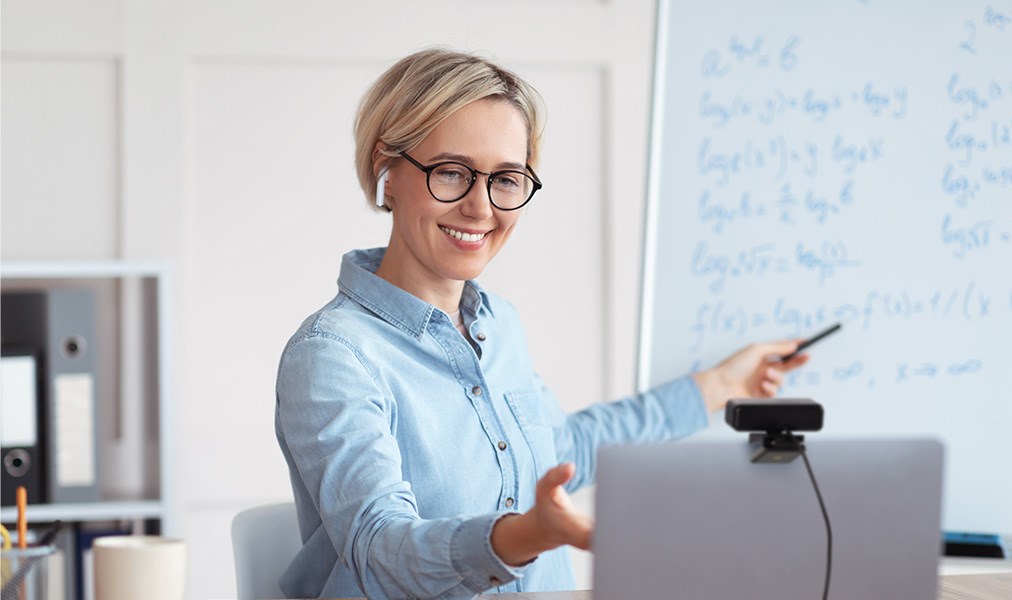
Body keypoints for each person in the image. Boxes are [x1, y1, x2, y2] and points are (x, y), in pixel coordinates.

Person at [274, 47, 810, 599]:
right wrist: (520, 536)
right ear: (386, 169)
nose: (481, 209)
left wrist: (723, 386)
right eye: (452, 172)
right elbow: (380, 551)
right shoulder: (334, 355)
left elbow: (561, 451)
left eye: (506, 179)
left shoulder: (497, 326)